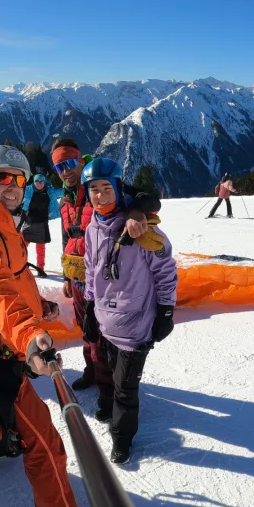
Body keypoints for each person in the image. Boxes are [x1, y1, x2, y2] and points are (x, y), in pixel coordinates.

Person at [0, 145, 96, 507]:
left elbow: (14, 281)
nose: (13, 187)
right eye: (2, 178)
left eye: (19, 179)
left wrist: (40, 307)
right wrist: (30, 335)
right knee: (45, 442)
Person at [81, 158, 178, 464]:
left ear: (119, 188)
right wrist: (88, 305)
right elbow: (90, 270)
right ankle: (108, 406)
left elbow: (165, 271)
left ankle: (122, 437)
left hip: (136, 324)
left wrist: (165, 310)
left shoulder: (141, 229)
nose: (100, 195)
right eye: (93, 189)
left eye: (106, 188)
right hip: (106, 320)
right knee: (109, 372)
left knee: (126, 386)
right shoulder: (92, 229)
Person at [52, 138, 160, 406]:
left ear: (80, 160)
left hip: (105, 280)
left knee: (102, 339)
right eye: (58, 167)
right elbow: (67, 237)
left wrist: (135, 211)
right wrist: (66, 276)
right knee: (86, 331)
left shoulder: (99, 184)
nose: (65, 171)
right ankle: (92, 373)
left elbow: (151, 199)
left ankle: (107, 391)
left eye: (68, 163)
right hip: (79, 279)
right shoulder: (65, 199)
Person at [20, 174, 61, 278]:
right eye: (37, 181)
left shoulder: (49, 192)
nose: (39, 184)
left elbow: (62, 191)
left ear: (45, 182)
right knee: (22, 247)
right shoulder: (27, 191)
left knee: (41, 249)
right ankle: (21, 266)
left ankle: (40, 269)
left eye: (41, 181)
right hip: (29, 222)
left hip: (42, 223)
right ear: (33, 182)